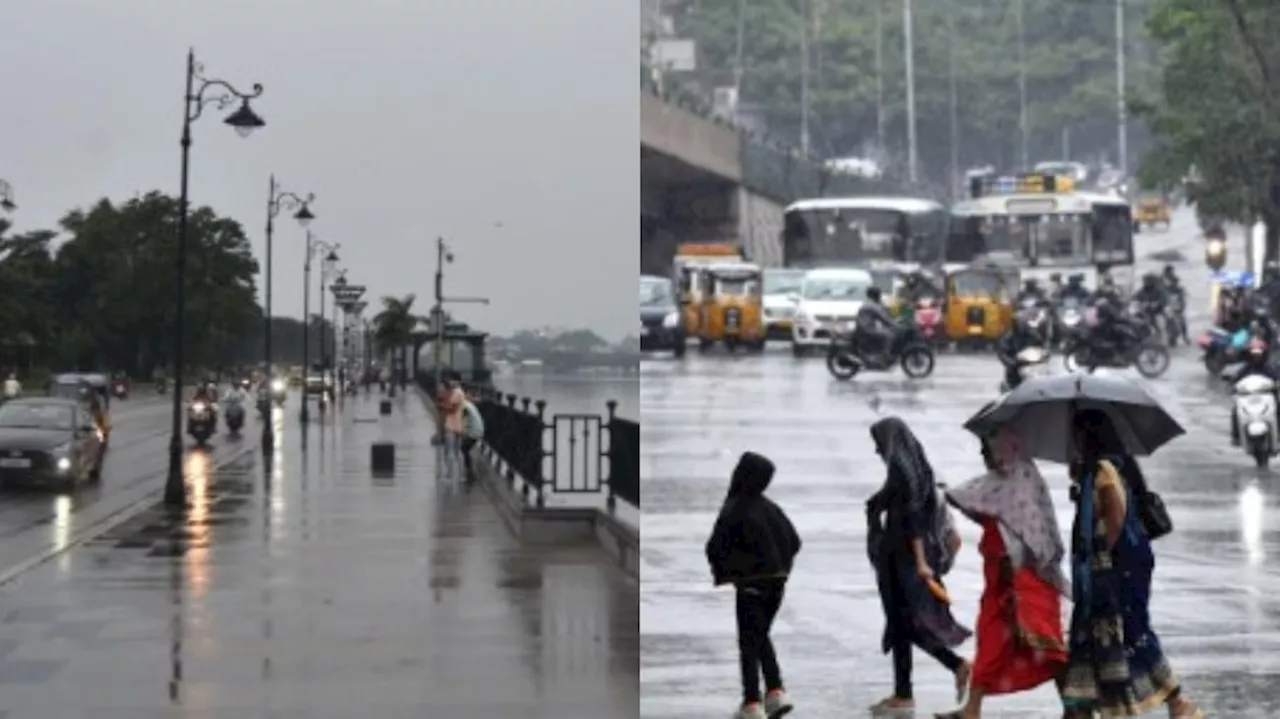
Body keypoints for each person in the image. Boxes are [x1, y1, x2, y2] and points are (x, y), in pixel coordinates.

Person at [1059, 410, 1202, 718]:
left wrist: (1104, 559)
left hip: (1117, 566)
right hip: (1107, 567)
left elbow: (1116, 516)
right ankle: (1078, 710)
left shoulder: (1104, 469)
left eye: (1076, 435)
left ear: (1088, 436)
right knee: (1094, 633)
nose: (1073, 442)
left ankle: (1178, 702)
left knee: (1130, 631)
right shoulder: (1095, 470)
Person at [934, 428, 1068, 719]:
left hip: (1029, 579)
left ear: (1004, 446)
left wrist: (1019, 564)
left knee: (1047, 642)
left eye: (987, 447)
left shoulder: (1024, 479)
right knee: (991, 636)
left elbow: (1035, 530)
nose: (983, 454)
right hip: (998, 579)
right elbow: (975, 498)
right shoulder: (997, 482)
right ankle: (972, 709)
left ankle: (1074, 707)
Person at [866, 417, 972, 714]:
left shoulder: (902, 474)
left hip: (903, 561)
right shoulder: (917, 469)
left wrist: (922, 562)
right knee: (902, 626)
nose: (876, 451)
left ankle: (954, 667)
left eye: (878, 444)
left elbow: (912, 520)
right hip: (901, 560)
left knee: (904, 625)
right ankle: (904, 692)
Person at [705, 451, 801, 719]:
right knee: (759, 635)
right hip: (777, 584)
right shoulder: (771, 508)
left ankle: (751, 701)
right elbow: (794, 541)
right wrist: (781, 568)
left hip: (751, 585)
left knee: (749, 641)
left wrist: (732, 571)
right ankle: (775, 691)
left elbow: (715, 547)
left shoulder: (734, 507)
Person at [994, 316, 1040, 391]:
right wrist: (1011, 362)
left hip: (1030, 366)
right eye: (1019, 325)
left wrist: (1037, 359)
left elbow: (1041, 349)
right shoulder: (1009, 337)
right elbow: (1002, 352)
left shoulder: (1033, 336)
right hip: (1014, 367)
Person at [855, 286, 898, 357]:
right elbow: (884, 318)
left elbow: (884, 313)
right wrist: (895, 325)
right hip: (867, 329)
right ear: (875, 295)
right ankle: (884, 355)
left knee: (886, 331)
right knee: (889, 335)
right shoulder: (871, 306)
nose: (880, 296)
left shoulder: (871, 303)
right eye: (879, 294)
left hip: (867, 327)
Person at [439, 375, 467, 480]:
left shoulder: (456, 393)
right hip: (459, 424)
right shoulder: (461, 392)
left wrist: (443, 406)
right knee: (457, 451)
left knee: (450, 451)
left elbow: (453, 408)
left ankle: (450, 474)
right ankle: (461, 474)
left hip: (451, 425)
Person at [459, 388, 485, 480]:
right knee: (465, 448)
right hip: (478, 430)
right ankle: (469, 471)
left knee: (464, 448)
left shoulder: (465, 406)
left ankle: (470, 473)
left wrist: (463, 432)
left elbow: (464, 420)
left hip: (474, 432)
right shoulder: (468, 404)